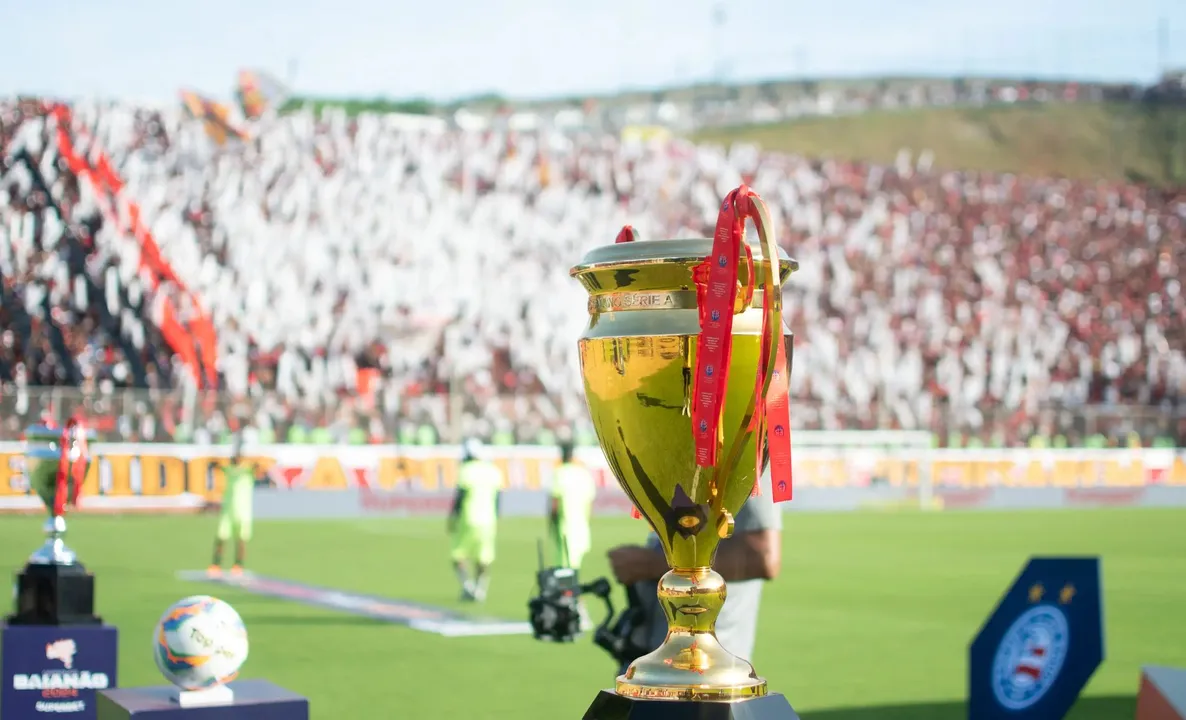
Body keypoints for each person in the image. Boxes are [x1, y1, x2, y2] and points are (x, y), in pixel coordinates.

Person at [606, 466, 782, 674]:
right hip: (657, 657)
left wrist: (651, 563)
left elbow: (762, 556)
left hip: (703, 670)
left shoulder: (742, 444)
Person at [449, 439, 505, 602]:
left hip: (468, 518)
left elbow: (460, 498)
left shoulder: (465, 470)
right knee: (484, 557)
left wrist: (452, 518)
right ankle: (480, 589)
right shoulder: (493, 471)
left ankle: (468, 586)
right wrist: (497, 517)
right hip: (489, 521)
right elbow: (497, 500)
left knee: (458, 554)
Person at [208, 441, 264, 577]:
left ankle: (238, 565)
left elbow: (259, 469)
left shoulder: (247, 470)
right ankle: (216, 564)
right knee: (221, 537)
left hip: (243, 512)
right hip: (228, 511)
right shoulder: (229, 469)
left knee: (241, 540)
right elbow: (215, 465)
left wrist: (254, 465)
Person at [549, 441, 597, 570]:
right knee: (575, 563)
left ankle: (567, 589)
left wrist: (551, 522)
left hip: (565, 525)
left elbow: (555, 502)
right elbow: (590, 501)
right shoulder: (584, 473)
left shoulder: (559, 473)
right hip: (582, 526)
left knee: (566, 566)